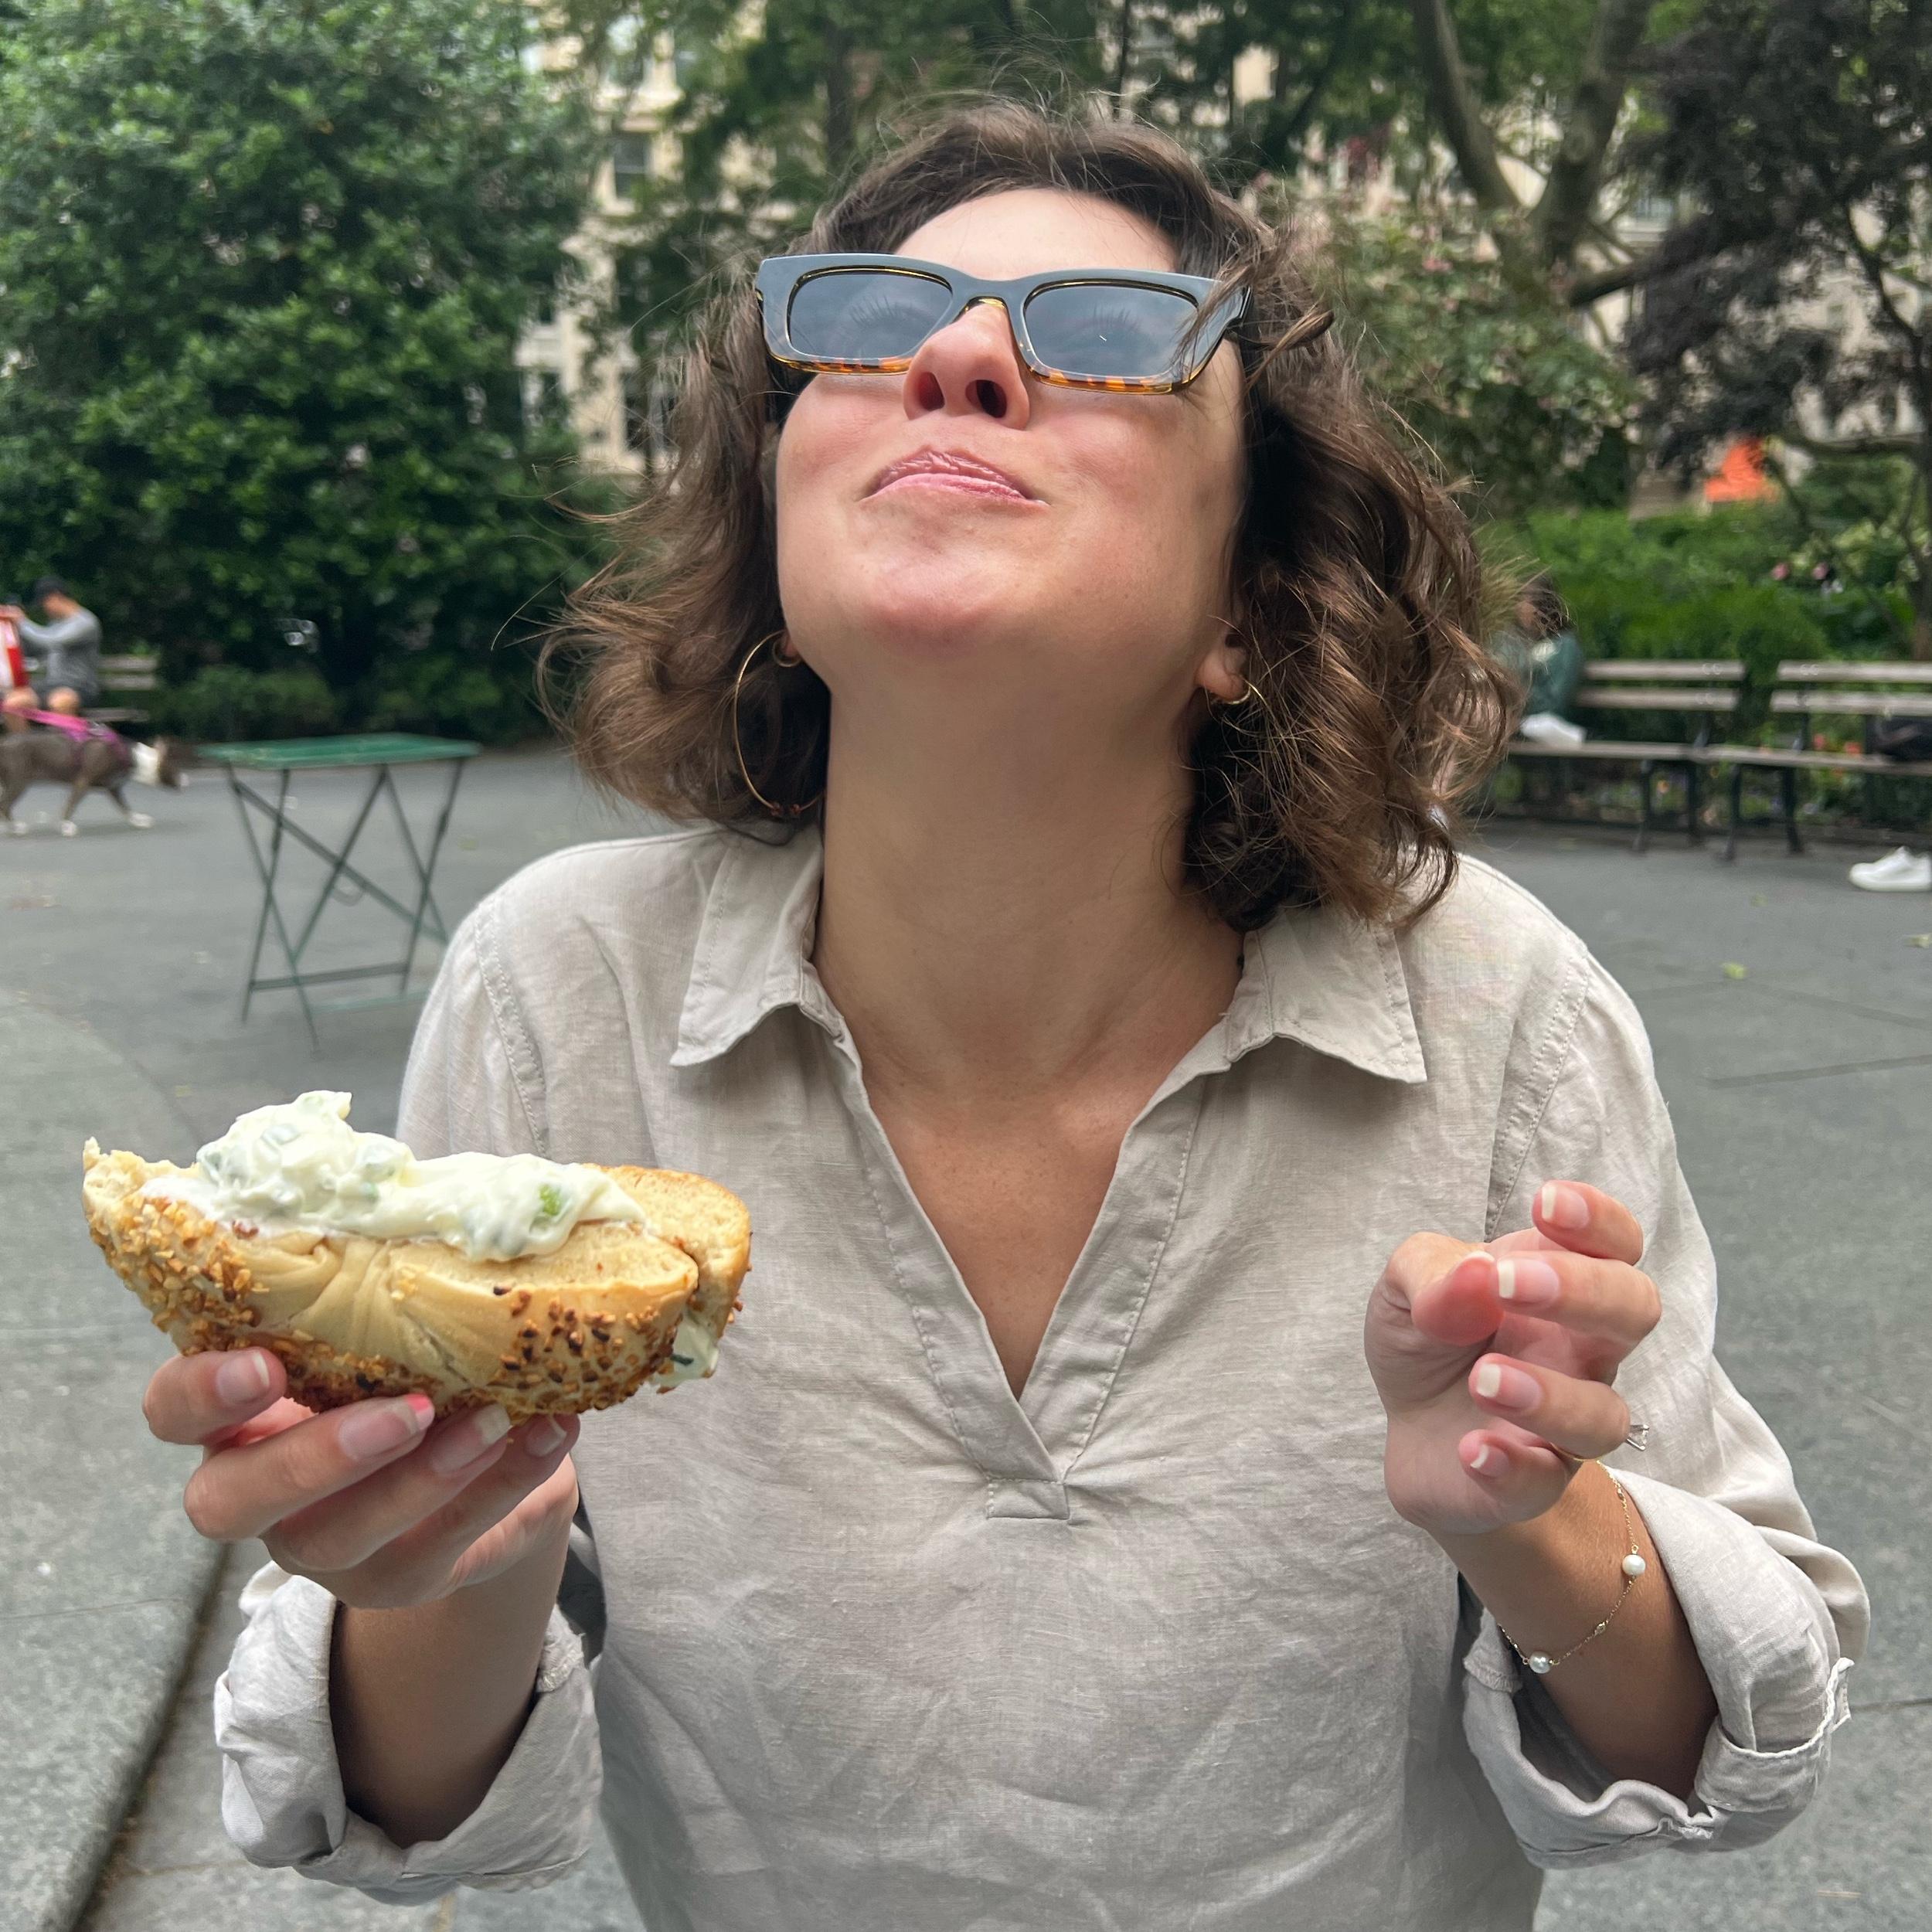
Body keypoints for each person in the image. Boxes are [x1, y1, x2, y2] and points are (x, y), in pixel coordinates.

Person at [141, 104, 1866, 1930]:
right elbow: (409, 1803)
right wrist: (448, 1550)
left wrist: (1527, 1514)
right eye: (867, 322)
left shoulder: (1496, 1001)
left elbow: (1724, 1752)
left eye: (1106, 337)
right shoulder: (558, 990)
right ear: (776, 544)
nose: (955, 359)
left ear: (1249, 606)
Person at [1492, 576, 1587, 748]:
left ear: (1542, 608)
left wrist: (1516, 698)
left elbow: (1555, 701)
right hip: (1505, 718)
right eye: (1518, 601)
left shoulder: (1565, 646)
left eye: (1525, 601)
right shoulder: (1510, 642)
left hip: (1543, 723)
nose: (1519, 608)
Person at [0, 575, 104, 720]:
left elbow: (51, 641)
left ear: (56, 596)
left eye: (44, 603)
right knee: (13, 703)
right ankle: (22, 736)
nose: (45, 609)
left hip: (79, 688)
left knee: (59, 702)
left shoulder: (85, 623)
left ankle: (69, 736)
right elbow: (38, 649)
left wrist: (22, 622)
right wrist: (13, 632)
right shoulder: (55, 624)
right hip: (51, 686)